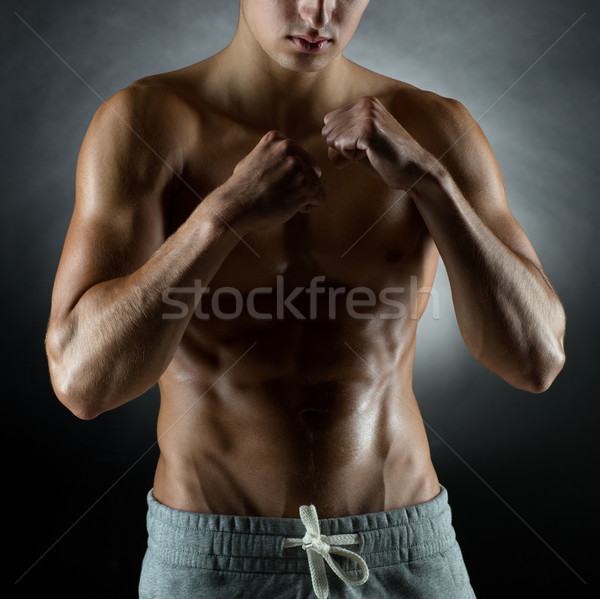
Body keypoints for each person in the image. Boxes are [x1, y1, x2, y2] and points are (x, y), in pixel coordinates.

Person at [45, 0, 566, 597]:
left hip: (403, 550)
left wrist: (430, 180)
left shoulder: (434, 127)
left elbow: (535, 360)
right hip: (214, 560)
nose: (318, 11)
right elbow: (85, 385)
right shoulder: (146, 124)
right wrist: (221, 216)